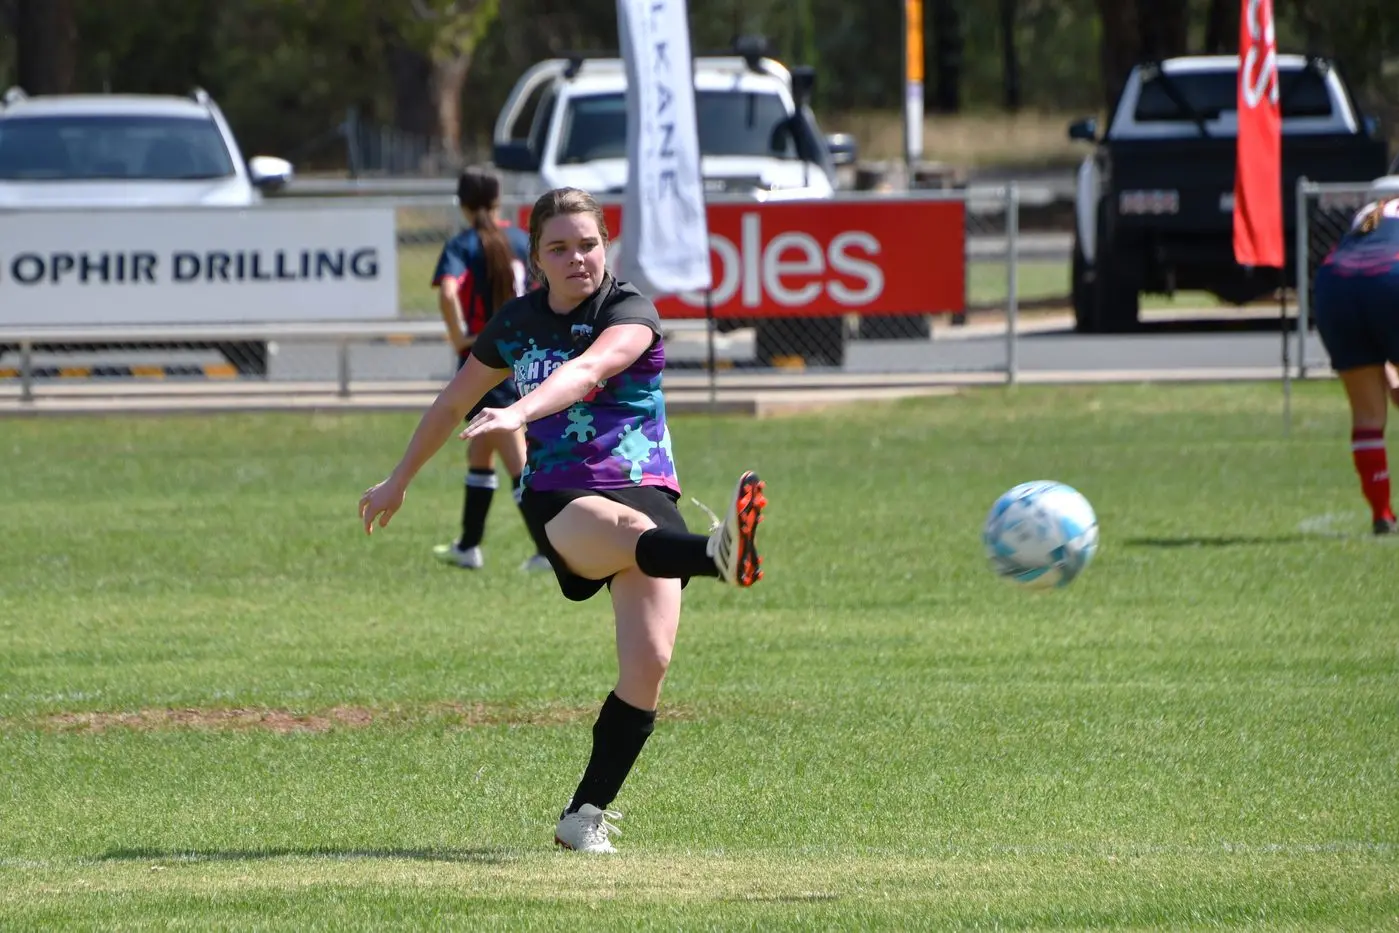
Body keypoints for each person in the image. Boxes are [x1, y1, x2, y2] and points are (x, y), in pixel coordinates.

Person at [360, 186, 767, 853]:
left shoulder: (629, 308)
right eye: (559, 247)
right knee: (633, 539)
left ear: (604, 246)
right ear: (536, 258)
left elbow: (587, 371)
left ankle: (582, 815)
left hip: (647, 491)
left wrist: (518, 410)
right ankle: (718, 553)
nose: (577, 257)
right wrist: (397, 478)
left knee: (651, 662)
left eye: (588, 243)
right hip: (561, 494)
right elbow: (451, 401)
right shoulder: (516, 323)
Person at [429, 167, 549, 572]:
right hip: (523, 357)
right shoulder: (520, 240)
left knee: (517, 461)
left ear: (461, 204)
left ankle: (549, 551)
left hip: (485, 361)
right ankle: (468, 545)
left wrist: (459, 335)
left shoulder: (464, 244)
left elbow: (448, 292)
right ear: (499, 199)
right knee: (481, 452)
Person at [1313, 189, 1399, 534]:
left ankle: (1382, 514)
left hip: (1335, 282)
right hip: (1391, 273)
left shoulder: (1371, 210)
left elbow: (1367, 282)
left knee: (1368, 414)